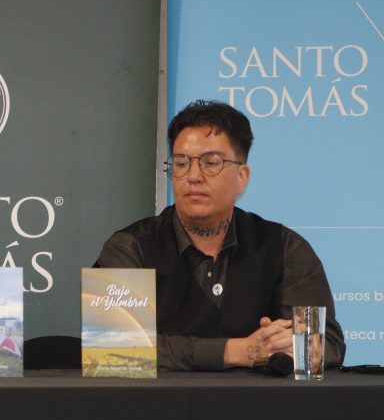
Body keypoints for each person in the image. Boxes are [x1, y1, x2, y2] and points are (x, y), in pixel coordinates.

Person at [95, 100, 345, 371]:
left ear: (242, 177)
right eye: (181, 163)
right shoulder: (130, 247)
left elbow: (327, 344)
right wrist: (236, 351)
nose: (193, 176)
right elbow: (111, 349)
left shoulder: (285, 248)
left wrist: (296, 347)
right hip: (158, 399)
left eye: (211, 163)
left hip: (258, 399)